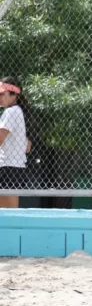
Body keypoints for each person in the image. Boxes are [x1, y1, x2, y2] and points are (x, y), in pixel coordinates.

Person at [0, 78, 31, 209]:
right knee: (7, 212)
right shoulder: (19, 112)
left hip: (8, 167)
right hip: (14, 168)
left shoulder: (11, 112)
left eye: (2, 94)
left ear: (14, 95)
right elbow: (27, 147)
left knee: (8, 212)